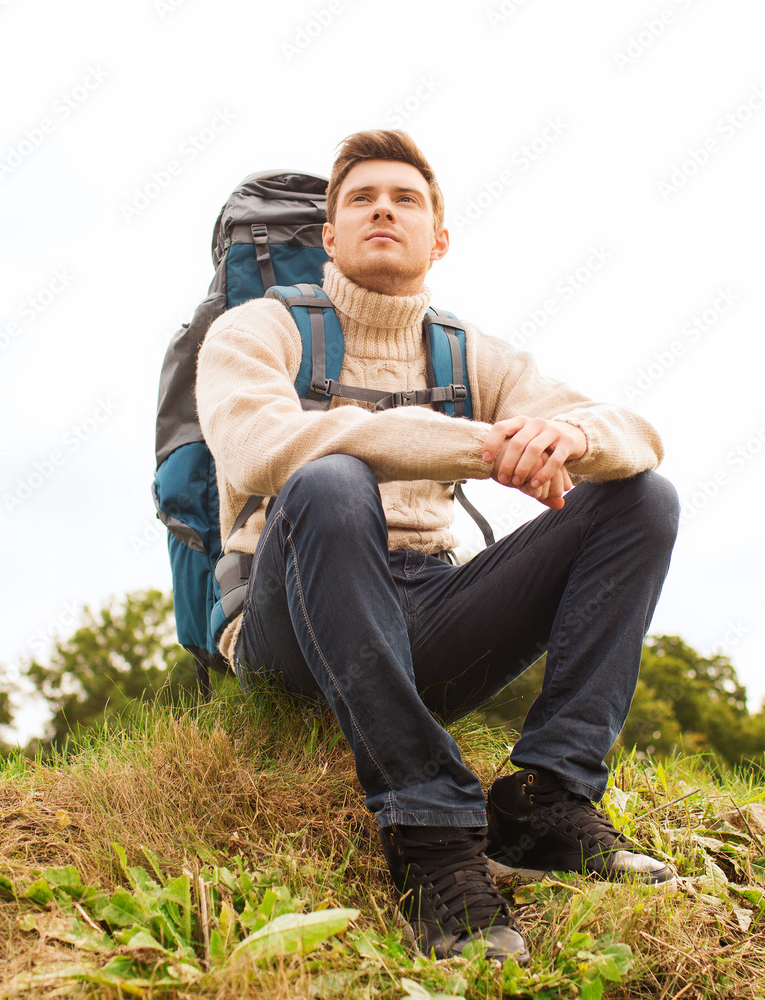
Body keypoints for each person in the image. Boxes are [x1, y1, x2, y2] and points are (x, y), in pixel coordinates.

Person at [195, 130, 680, 965]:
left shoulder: (471, 353)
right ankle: (430, 832)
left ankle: (548, 797)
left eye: (406, 199)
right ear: (332, 238)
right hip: (294, 627)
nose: (385, 207)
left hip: (426, 612)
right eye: (361, 199)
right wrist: (483, 448)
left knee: (641, 499)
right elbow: (261, 450)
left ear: (439, 238)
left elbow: (633, 433)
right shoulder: (255, 331)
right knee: (329, 479)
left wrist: (560, 435)